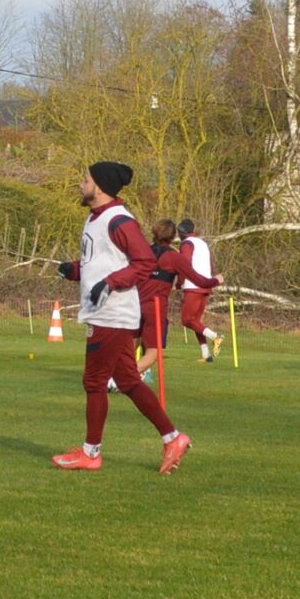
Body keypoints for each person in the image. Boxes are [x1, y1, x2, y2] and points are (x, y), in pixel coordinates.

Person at [51, 161, 191, 474]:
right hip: (106, 313)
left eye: (85, 179)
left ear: (99, 187)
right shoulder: (95, 218)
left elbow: (144, 262)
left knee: (94, 382)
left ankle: (91, 453)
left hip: (112, 315)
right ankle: (173, 437)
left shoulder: (119, 221)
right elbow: (101, 263)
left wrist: (111, 284)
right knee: (128, 381)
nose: (80, 183)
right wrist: (74, 270)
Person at [133, 217, 179, 386]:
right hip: (155, 307)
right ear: (172, 236)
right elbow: (196, 278)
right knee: (154, 352)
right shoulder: (174, 256)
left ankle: (117, 378)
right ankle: (121, 379)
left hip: (135, 304)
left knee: (129, 351)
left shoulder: (143, 252)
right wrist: (215, 281)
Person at [175, 219, 225, 362]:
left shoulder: (186, 244)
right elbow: (210, 265)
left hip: (193, 286)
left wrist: (179, 284)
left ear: (182, 232)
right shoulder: (202, 243)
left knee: (187, 320)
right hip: (206, 285)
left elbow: (184, 265)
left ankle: (215, 337)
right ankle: (206, 354)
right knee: (196, 321)